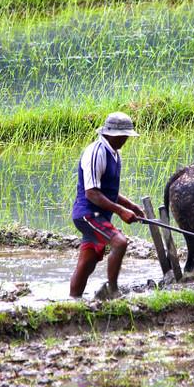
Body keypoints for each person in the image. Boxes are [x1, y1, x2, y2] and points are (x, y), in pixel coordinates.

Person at [69, 112, 145, 299]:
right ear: (110, 133)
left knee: (88, 261)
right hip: (88, 214)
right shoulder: (97, 152)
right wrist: (120, 211)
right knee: (119, 242)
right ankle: (112, 291)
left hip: (99, 215)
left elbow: (109, 191)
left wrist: (131, 206)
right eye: (123, 135)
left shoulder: (114, 154)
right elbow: (92, 192)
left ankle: (73, 300)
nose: (125, 139)